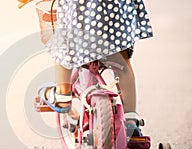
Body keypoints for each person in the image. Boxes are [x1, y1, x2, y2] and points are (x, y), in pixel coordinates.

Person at [37, 0, 153, 136]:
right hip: (113, 14)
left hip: (79, 12)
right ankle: (131, 120)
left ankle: (63, 96)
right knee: (122, 65)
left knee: (63, 49)